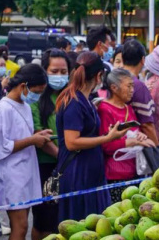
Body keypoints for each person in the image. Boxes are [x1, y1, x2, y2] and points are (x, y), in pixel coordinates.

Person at [54, 52, 127, 221]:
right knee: (80, 227)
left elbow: (86, 133)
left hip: (90, 173)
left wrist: (107, 133)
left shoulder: (85, 99)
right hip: (79, 174)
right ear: (99, 76)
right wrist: (108, 138)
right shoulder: (73, 102)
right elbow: (72, 142)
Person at [0, 65, 51, 240]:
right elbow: (1, 146)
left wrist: (37, 135)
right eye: (36, 91)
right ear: (24, 86)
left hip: (26, 171)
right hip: (12, 173)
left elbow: (21, 134)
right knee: (20, 226)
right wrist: (32, 140)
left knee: (23, 225)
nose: (37, 96)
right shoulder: (4, 108)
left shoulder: (24, 106)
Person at [30, 48, 70, 240]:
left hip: (66, 166)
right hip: (45, 167)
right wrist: (61, 157)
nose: (59, 76)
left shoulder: (70, 96)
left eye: (63, 71)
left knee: (60, 220)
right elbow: (39, 135)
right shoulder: (36, 99)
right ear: (45, 71)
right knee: (44, 220)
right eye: (54, 71)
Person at [98, 67, 153, 195]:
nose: (132, 91)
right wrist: (134, 141)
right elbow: (106, 145)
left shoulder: (128, 108)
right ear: (114, 88)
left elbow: (136, 132)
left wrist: (141, 137)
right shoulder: (105, 109)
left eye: (132, 86)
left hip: (135, 170)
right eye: (128, 86)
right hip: (115, 174)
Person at [119, 39, 158, 145]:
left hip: (117, 141)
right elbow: (146, 125)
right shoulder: (138, 86)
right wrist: (158, 149)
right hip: (135, 144)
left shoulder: (114, 80)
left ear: (122, 59)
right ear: (142, 60)